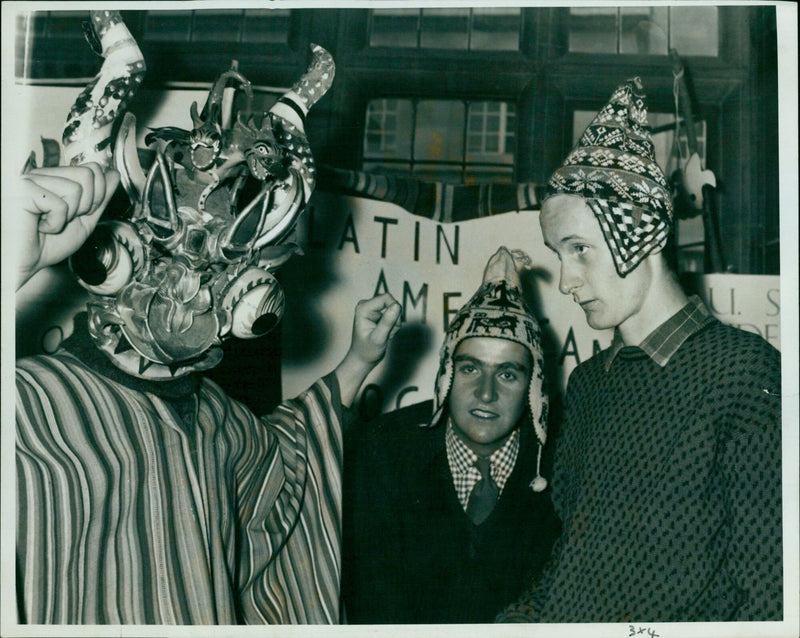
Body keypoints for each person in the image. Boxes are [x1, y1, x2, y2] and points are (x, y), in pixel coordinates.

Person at [14, 16, 403, 621]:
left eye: (227, 276)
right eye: (165, 250)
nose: (189, 289)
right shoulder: (30, 401)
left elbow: (289, 460)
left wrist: (358, 361)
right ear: (115, 249)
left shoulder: (222, 423)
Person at [497, 78, 782, 623]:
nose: (565, 281)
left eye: (580, 250)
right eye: (560, 254)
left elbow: (769, 595)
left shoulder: (742, 373)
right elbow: (574, 552)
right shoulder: (587, 383)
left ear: (644, 235)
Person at [342, 247, 561, 624]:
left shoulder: (561, 458)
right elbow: (371, 600)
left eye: (508, 374)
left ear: (533, 387)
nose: (487, 393)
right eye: (471, 368)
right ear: (447, 373)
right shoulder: (384, 449)